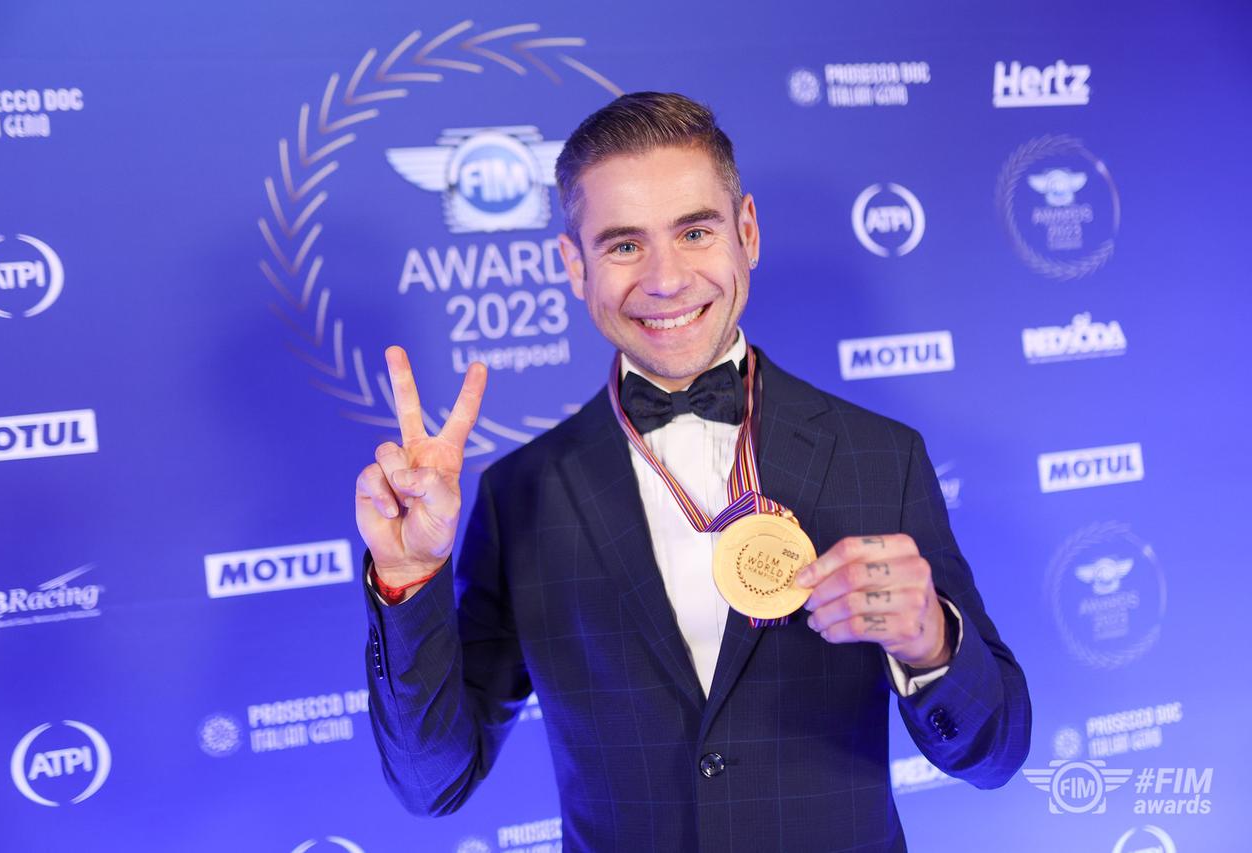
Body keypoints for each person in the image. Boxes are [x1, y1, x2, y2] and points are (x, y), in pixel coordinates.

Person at [354, 92, 1031, 852]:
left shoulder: (879, 455)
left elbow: (996, 752)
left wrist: (933, 643)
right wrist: (408, 576)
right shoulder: (521, 495)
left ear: (747, 232)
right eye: (623, 245)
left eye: (695, 231)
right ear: (574, 266)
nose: (666, 279)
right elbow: (432, 782)